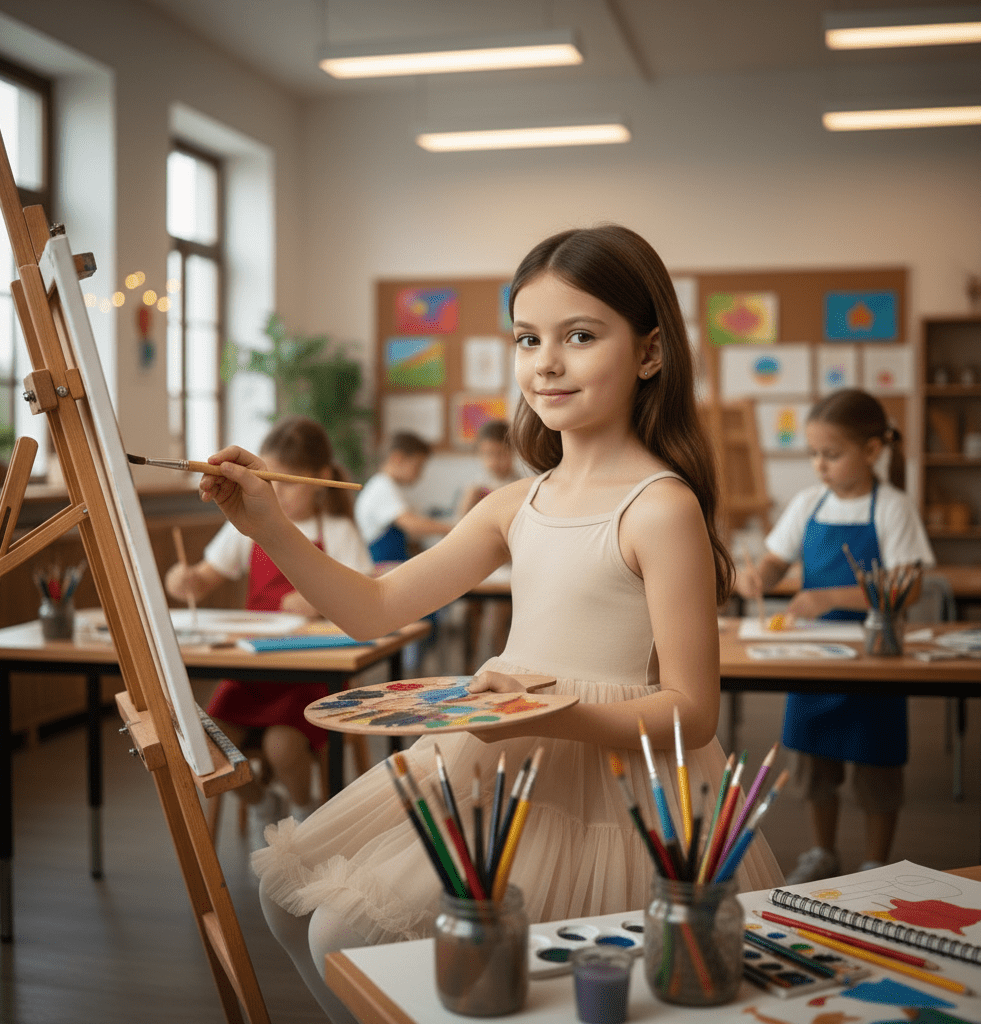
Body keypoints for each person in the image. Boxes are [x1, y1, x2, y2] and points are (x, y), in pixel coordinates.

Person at [197, 224, 783, 1023]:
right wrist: (268, 526)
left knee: (347, 933)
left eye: (580, 336)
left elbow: (692, 712)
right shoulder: (515, 502)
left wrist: (551, 713)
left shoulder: (662, 506)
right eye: (528, 337)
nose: (546, 361)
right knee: (293, 907)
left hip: (611, 791)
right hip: (492, 758)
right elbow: (371, 607)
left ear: (649, 353)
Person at [735, 389, 935, 884]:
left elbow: (907, 588)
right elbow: (775, 562)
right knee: (813, 762)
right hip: (812, 659)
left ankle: (874, 863)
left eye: (832, 453)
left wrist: (829, 598)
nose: (820, 465)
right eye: (813, 455)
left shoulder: (892, 507)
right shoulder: (808, 503)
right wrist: (756, 576)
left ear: (872, 451)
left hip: (873, 657)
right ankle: (822, 852)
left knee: (877, 765)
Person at [165, 415, 373, 816]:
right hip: (253, 668)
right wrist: (184, 580)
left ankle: (303, 812)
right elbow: (204, 579)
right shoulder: (247, 523)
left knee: (282, 744)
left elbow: (364, 597)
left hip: (310, 673)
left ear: (322, 478)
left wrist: (320, 598)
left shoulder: (338, 529)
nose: (281, 493)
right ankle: (265, 803)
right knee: (203, 742)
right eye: (272, 480)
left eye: (292, 482)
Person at [455, 419, 519, 666]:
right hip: (479, 566)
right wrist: (467, 503)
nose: (494, 461)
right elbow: (460, 528)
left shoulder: (519, 485)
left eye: (500, 454)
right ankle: (468, 666)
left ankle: (500, 664)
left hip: (507, 566)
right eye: (488, 455)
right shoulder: (476, 487)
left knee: (501, 620)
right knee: (473, 614)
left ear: (513, 452)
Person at [354, 431, 451, 563]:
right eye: (418, 466)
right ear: (397, 458)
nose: (420, 474)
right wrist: (451, 528)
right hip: (381, 566)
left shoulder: (389, 486)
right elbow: (411, 524)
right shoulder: (382, 486)